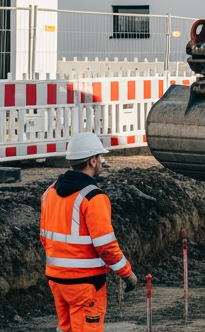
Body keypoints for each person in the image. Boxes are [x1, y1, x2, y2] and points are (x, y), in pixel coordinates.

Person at [40, 132, 138, 332]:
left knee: (65, 328)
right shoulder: (93, 197)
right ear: (93, 160)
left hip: (57, 280)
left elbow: (45, 238)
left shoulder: (49, 193)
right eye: (100, 158)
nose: (101, 162)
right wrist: (127, 274)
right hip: (86, 284)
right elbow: (106, 247)